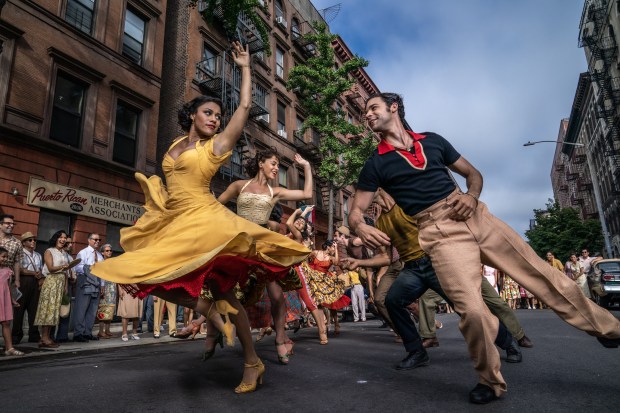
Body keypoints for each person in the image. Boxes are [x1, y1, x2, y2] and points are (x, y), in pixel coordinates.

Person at [350, 92, 620, 404]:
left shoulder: (434, 141)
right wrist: (360, 226)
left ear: (393, 107)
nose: (367, 115)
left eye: (373, 108)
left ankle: (609, 329)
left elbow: (473, 174)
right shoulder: (376, 163)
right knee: (473, 312)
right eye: (365, 112)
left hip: (475, 215)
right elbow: (356, 211)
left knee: (542, 276)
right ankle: (490, 381)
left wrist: (472, 195)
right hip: (439, 233)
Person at [91, 42, 309, 393]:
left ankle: (252, 361)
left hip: (204, 221)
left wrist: (245, 68)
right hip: (175, 220)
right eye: (208, 113)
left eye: (217, 117)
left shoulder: (216, 148)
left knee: (223, 290)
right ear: (192, 115)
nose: (214, 119)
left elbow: (242, 107)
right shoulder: (176, 143)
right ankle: (212, 313)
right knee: (157, 278)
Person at [342, 188, 523, 367]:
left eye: (364, 191)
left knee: (467, 307)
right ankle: (417, 351)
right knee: (392, 301)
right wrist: (358, 263)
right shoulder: (381, 223)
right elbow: (387, 257)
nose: (361, 197)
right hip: (412, 269)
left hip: (435, 262)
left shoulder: (408, 204)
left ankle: (509, 343)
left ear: (379, 188)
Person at [217, 148, 313, 364]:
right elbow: (215, 206)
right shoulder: (238, 186)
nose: (276, 168)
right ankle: (210, 333)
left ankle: (280, 339)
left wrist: (306, 166)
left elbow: (306, 195)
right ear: (261, 162)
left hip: (264, 247)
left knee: (277, 296)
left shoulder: (274, 191)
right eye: (273, 163)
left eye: (278, 165)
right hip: (240, 245)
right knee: (221, 286)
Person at [286, 208, 327, 344]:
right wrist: (301, 216)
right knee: (279, 300)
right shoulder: (289, 236)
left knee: (309, 301)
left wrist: (297, 211)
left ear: (303, 229)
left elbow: (288, 223)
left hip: (298, 270)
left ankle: (322, 330)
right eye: (297, 221)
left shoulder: (298, 236)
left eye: (301, 223)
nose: (298, 222)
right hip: (286, 270)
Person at [34, 230, 70, 348]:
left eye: (65, 238)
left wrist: (65, 286)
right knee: (48, 310)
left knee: (54, 311)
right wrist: (63, 267)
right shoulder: (49, 251)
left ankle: (47, 337)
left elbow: (65, 272)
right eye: (60, 237)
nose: (63, 239)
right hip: (51, 282)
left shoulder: (63, 253)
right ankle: (44, 338)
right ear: (56, 238)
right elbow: (50, 268)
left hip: (60, 283)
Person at [12, 231, 42, 344]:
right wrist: (33, 273)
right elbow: (19, 269)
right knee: (19, 310)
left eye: (34, 240)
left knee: (34, 310)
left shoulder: (38, 255)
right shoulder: (20, 253)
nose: (33, 242)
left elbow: (40, 268)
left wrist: (39, 277)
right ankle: (16, 335)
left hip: (35, 282)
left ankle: (34, 334)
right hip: (23, 281)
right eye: (30, 240)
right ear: (23, 243)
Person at [73, 233, 104, 342]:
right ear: (89, 240)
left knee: (92, 310)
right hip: (85, 283)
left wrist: (103, 285)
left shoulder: (100, 256)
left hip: (97, 284)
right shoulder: (83, 252)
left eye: (99, 240)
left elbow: (103, 272)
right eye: (95, 239)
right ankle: (78, 333)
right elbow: (78, 268)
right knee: (81, 309)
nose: (97, 241)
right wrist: (91, 269)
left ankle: (87, 332)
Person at [1, 246, 24, 356]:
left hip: (4, 299)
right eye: (3, 256)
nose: (5, 259)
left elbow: (9, 287)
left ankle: (9, 348)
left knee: (6, 323)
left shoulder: (8, 271)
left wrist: (13, 300)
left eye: (7, 257)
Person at [0, 215, 22, 308]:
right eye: (8, 223)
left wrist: (17, 280)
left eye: (13, 224)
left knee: (4, 306)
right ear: (0, 225)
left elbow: (17, 262)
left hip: (6, 277)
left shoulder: (17, 242)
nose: (11, 225)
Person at [96, 244, 116, 338]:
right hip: (105, 287)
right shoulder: (101, 262)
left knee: (110, 309)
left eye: (110, 250)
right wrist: (101, 288)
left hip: (113, 288)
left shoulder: (113, 262)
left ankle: (107, 330)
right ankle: (100, 331)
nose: (109, 252)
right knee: (103, 309)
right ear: (103, 252)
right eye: (107, 251)